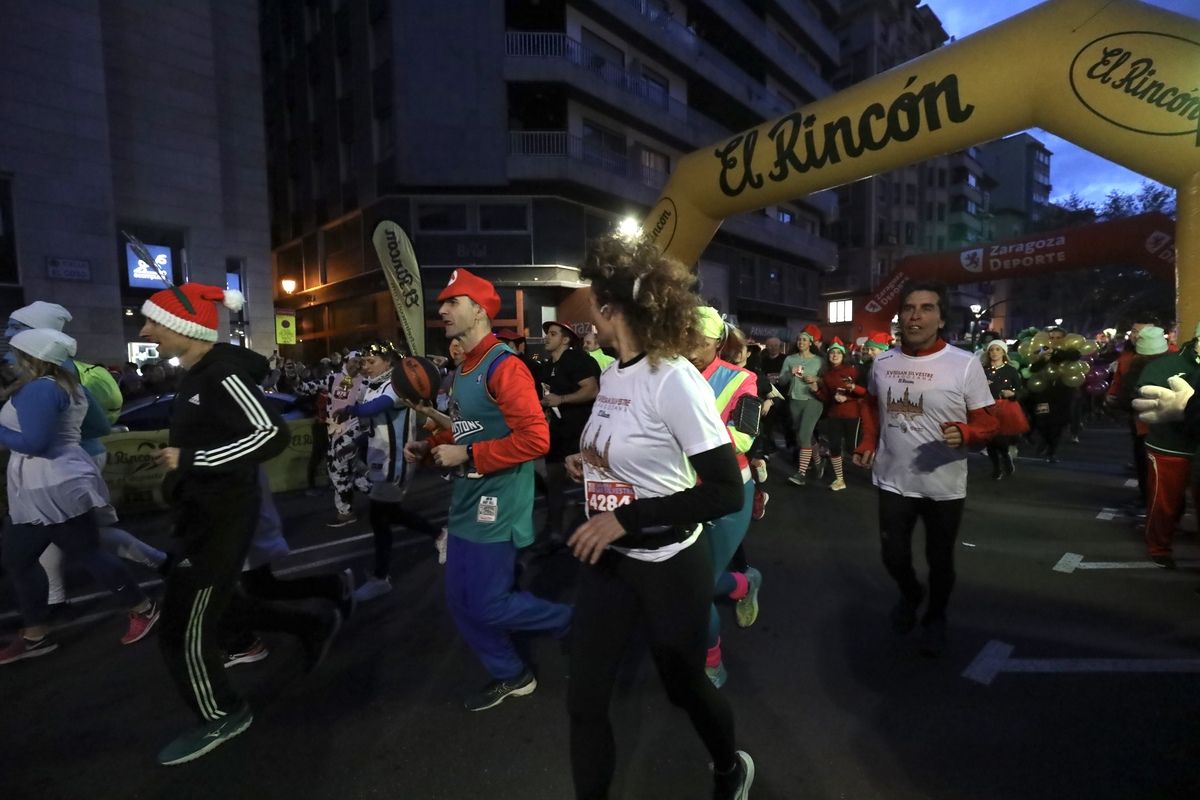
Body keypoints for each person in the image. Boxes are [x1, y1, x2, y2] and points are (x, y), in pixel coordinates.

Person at [564, 235, 753, 800]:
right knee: (584, 700)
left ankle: (729, 766)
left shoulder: (674, 379)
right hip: (611, 561)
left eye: (590, 303)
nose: (583, 317)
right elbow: (626, 451)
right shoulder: (616, 374)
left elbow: (724, 492)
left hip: (671, 560)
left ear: (611, 307)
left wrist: (626, 518)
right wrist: (588, 461)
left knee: (684, 687)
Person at [404, 268, 571, 711]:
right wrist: (430, 445)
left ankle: (576, 621)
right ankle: (512, 673)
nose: (441, 310)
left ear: (479, 309)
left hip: (496, 505)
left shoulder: (504, 366)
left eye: (451, 302)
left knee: (487, 604)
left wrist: (469, 457)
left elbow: (537, 440)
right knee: (460, 601)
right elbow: (466, 431)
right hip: (466, 499)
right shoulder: (464, 370)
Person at [138, 282, 290, 765]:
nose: (145, 330)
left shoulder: (220, 373)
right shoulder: (197, 374)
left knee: (181, 629)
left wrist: (193, 458)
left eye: (154, 322)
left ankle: (223, 714)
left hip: (218, 523)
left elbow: (272, 434)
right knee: (196, 617)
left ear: (185, 328)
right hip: (202, 518)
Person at [854, 282, 997, 657]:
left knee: (940, 560)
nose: (916, 315)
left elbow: (988, 423)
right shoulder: (882, 362)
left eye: (927, 308)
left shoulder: (964, 363)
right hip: (892, 478)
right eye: (909, 308)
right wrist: (868, 442)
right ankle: (911, 593)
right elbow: (870, 405)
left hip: (943, 484)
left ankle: (935, 618)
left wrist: (966, 433)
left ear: (941, 317)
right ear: (900, 316)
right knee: (893, 555)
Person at [0, 329, 160, 664]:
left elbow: (34, 443)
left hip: (50, 485)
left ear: (31, 356)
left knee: (86, 553)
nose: (8, 358)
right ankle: (35, 634)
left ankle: (141, 607)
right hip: (47, 483)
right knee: (21, 558)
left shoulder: (42, 389)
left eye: (13, 352)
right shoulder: (64, 385)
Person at [336, 340, 444, 602]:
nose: (366, 366)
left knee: (381, 517)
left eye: (371, 362)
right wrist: (356, 443)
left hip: (395, 460)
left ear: (389, 361)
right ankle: (439, 534)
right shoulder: (373, 385)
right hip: (380, 457)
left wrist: (350, 409)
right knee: (387, 515)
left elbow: (374, 409)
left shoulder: (397, 384)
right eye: (364, 362)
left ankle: (381, 578)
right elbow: (376, 425)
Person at [689, 307, 763, 690]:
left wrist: (687, 440)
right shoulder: (669, 375)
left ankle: (711, 662)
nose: (691, 346)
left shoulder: (742, 380)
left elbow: (746, 437)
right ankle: (742, 584)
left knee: (695, 588)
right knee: (685, 581)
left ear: (718, 342)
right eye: (685, 336)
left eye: (700, 339)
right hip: (680, 493)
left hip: (727, 491)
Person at [1133, 325, 1200, 569]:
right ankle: (1158, 546)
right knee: (1165, 501)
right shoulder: (1164, 366)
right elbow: (1143, 400)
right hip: (1171, 446)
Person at [535, 320, 600, 551]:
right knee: (554, 483)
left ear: (565, 339)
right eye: (546, 334)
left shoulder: (578, 360)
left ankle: (597, 535)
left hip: (579, 433)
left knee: (588, 484)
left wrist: (561, 400)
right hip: (556, 434)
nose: (546, 337)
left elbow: (591, 390)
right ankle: (555, 532)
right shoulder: (545, 366)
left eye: (552, 334)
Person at [325, 351, 372, 526]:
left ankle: (345, 512)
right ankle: (382, 499)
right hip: (334, 432)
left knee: (336, 468)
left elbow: (371, 405)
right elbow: (305, 388)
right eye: (353, 361)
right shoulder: (333, 379)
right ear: (346, 362)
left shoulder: (366, 383)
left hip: (353, 431)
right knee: (354, 472)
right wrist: (293, 376)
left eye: (359, 362)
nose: (356, 365)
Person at [812, 337, 864, 491]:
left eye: (838, 353)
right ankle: (840, 479)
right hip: (834, 415)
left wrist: (849, 394)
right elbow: (827, 398)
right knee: (834, 446)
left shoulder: (853, 370)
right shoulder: (827, 374)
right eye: (831, 353)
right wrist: (817, 391)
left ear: (843, 355)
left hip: (852, 414)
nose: (834, 355)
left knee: (851, 448)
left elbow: (864, 393)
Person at [780, 329, 824, 485]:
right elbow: (781, 381)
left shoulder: (819, 361)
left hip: (813, 401)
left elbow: (827, 381)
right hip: (795, 400)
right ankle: (819, 462)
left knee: (804, 435)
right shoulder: (790, 359)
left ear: (810, 343)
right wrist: (789, 374)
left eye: (805, 340)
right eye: (799, 340)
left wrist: (816, 379)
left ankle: (801, 474)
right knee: (805, 434)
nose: (801, 342)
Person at [981, 341, 1023, 479]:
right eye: (991, 349)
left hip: (1004, 409)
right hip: (986, 408)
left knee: (1000, 439)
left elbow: (1021, 390)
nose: (994, 352)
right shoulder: (983, 369)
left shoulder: (1010, 370)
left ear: (1003, 352)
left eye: (998, 349)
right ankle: (997, 468)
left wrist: (1013, 394)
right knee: (989, 439)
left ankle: (1005, 456)